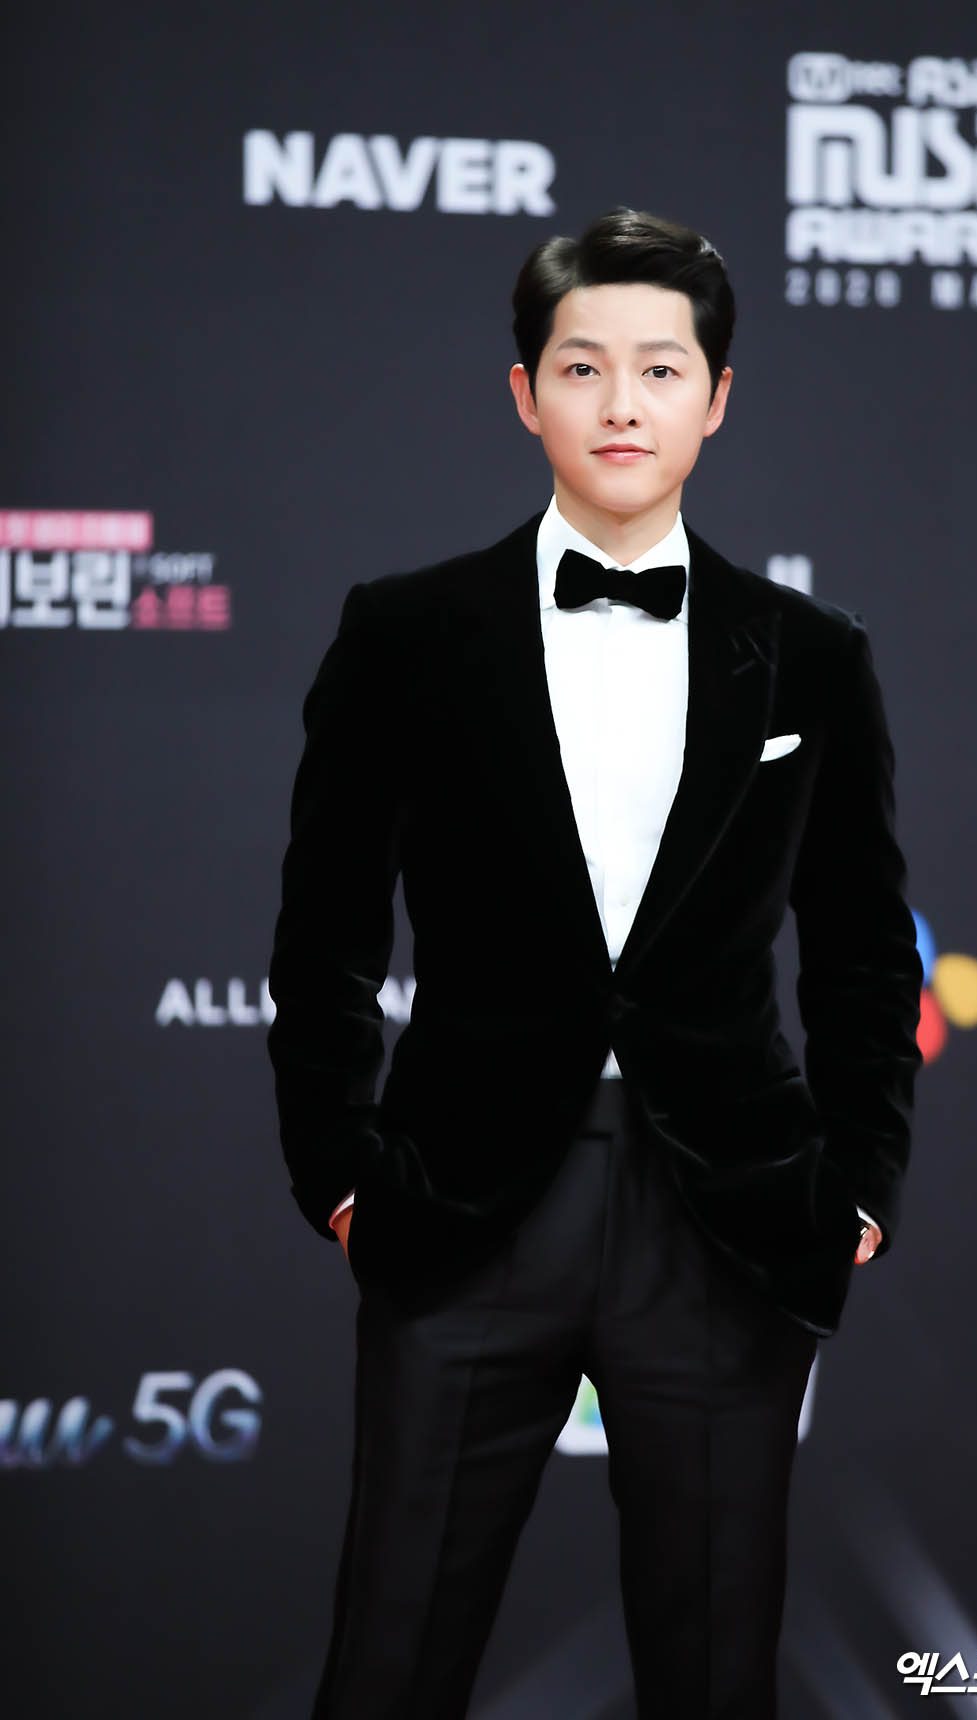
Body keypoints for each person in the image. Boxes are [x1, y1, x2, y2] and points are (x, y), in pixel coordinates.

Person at [266, 205, 924, 1719]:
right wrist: (343, 1176)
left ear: (718, 397)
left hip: (727, 1213)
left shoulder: (813, 653)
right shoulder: (406, 633)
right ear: (524, 392)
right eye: (582, 367)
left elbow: (862, 943)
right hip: (462, 1199)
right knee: (390, 1663)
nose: (621, 403)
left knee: (715, 1671)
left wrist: (863, 1178)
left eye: (660, 368)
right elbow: (324, 933)